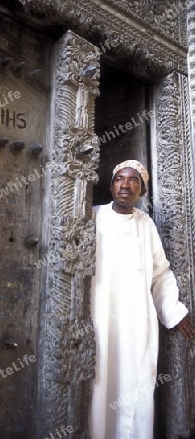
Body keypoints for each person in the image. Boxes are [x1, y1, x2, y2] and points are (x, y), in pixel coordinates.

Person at [89, 160, 194, 439]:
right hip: (99, 317)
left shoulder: (145, 224)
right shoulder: (92, 216)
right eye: (120, 179)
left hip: (136, 320)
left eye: (134, 180)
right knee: (100, 383)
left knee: (133, 379)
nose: (126, 185)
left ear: (142, 191)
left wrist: (173, 311)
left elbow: (160, 273)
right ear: (111, 186)